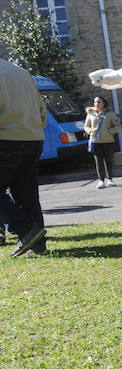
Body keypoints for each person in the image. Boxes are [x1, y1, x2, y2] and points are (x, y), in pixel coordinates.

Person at [0, 58, 48, 257]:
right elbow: (41, 109)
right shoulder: (20, 71)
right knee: (27, 194)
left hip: (5, 138)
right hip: (33, 137)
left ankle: (26, 229)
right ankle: (38, 245)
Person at [84, 96, 122, 189]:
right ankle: (101, 180)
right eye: (95, 102)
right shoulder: (90, 114)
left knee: (108, 160)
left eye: (99, 102)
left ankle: (110, 179)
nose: (97, 104)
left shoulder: (110, 114)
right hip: (95, 141)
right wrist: (89, 131)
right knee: (98, 161)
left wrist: (109, 131)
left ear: (104, 103)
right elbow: (86, 126)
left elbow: (118, 127)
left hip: (108, 141)